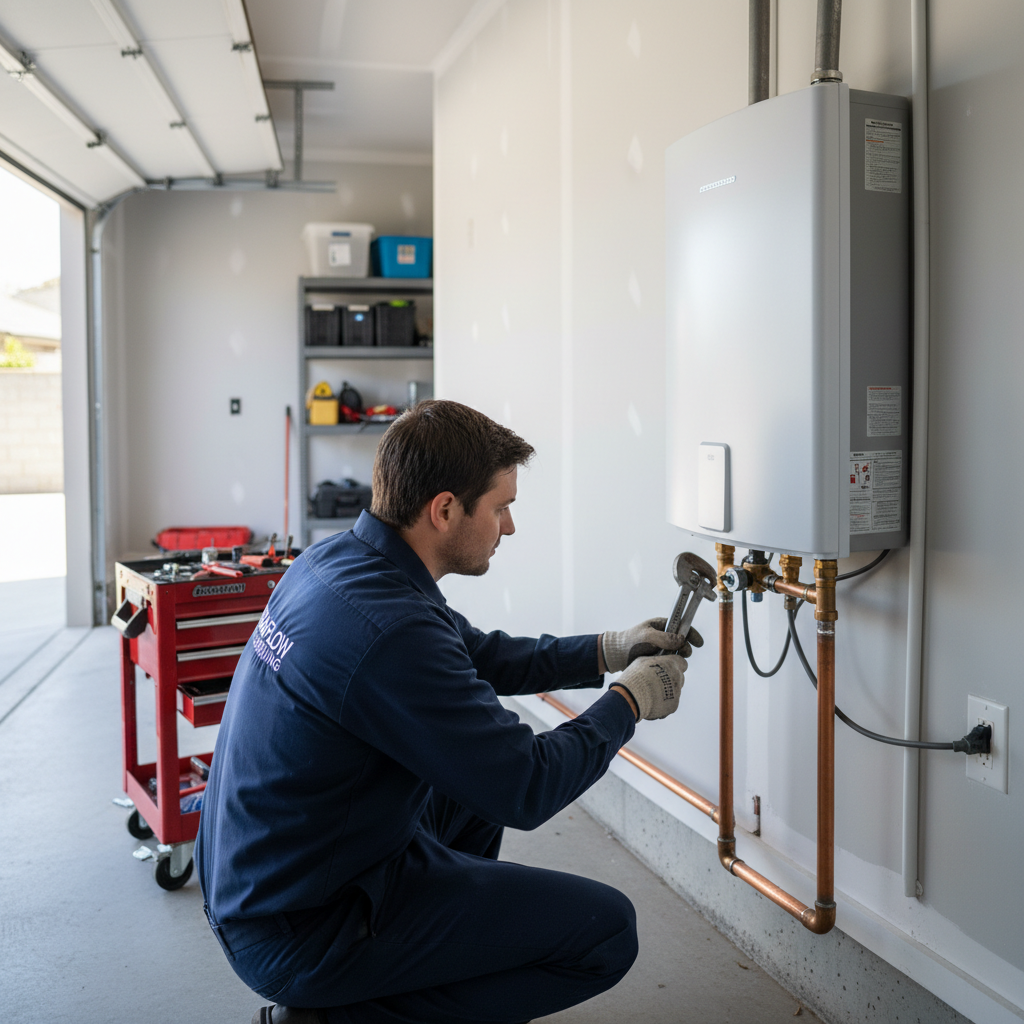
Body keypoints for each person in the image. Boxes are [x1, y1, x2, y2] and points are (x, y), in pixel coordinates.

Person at [196, 399, 699, 1024]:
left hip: (264, 879)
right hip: (299, 930)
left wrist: (609, 650)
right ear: (444, 510)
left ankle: (427, 953)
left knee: (465, 791)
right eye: (500, 507)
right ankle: (327, 1018)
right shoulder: (390, 628)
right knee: (605, 932)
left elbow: (479, 653)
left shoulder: (341, 563)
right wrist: (630, 701)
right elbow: (526, 785)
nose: (509, 527)